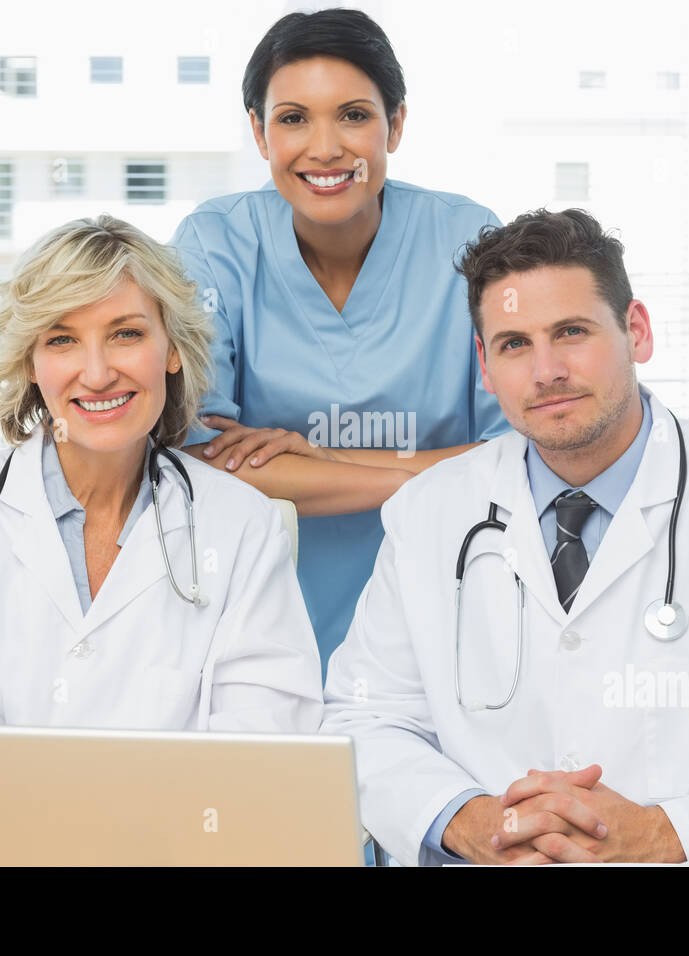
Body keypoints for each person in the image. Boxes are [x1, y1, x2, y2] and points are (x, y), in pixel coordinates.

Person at [320, 208, 689, 866]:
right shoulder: (427, 516)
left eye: (571, 332)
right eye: (514, 343)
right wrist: (473, 823)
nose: (546, 369)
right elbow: (363, 721)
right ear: (485, 364)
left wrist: (667, 832)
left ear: (636, 331)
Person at [0, 215, 322, 860]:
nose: (96, 373)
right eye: (62, 340)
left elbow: (260, 758)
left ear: (172, 350)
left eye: (126, 334)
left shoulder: (243, 526)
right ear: (32, 364)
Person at [170, 8, 509, 670]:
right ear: (259, 133)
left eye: (353, 115)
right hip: (267, 626)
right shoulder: (215, 243)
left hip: (453, 616)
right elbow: (207, 465)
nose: (324, 148)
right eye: (293, 118)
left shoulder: (469, 239)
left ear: (397, 125)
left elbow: (521, 456)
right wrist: (430, 472)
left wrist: (317, 461)